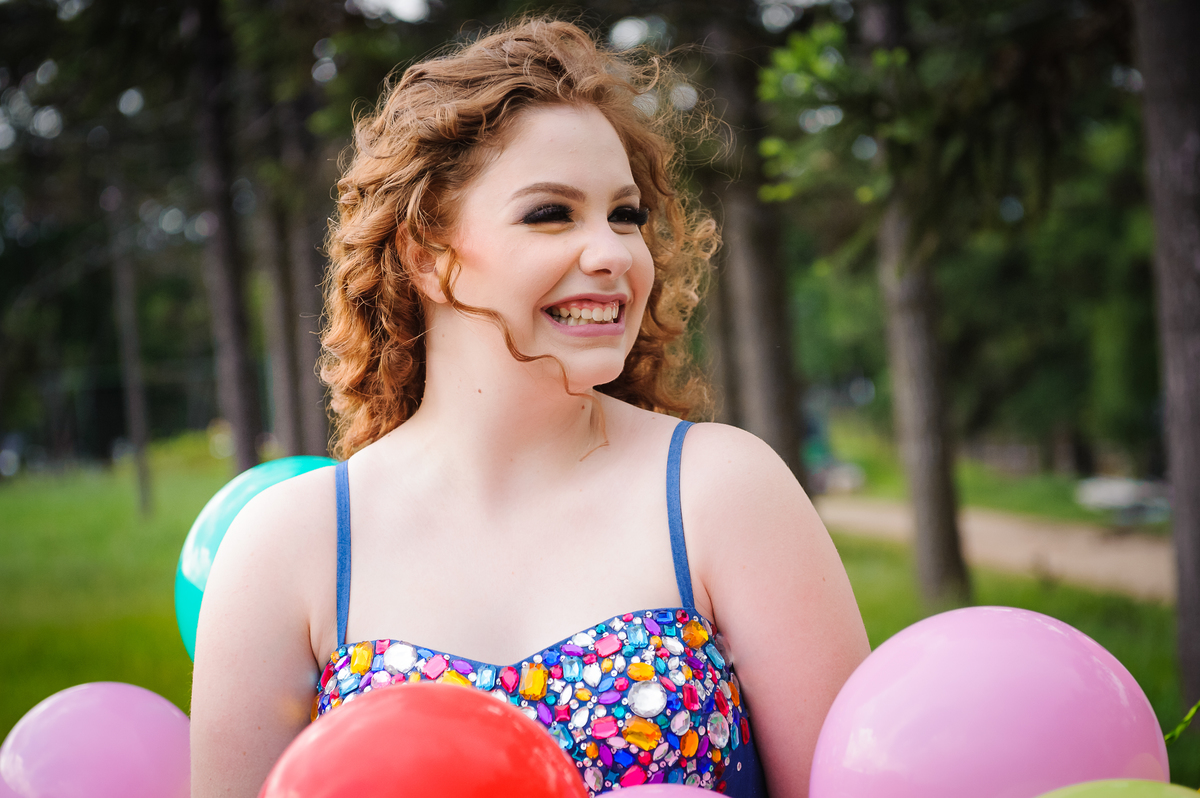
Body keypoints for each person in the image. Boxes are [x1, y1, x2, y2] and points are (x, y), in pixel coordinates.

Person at [190, 17, 869, 798]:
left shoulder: (724, 492)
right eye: (551, 214)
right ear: (427, 256)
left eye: (626, 215)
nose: (613, 253)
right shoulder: (288, 546)